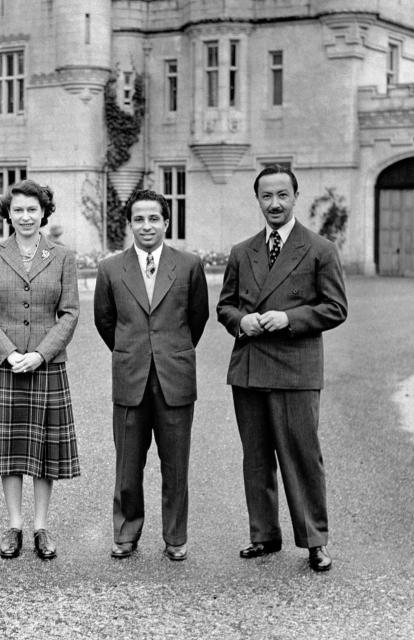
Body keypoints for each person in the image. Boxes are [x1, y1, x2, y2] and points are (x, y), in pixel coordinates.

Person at [217, 165, 348, 572]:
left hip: (296, 369)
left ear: (295, 197)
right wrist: (242, 321)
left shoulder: (320, 249)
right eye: (266, 196)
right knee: (255, 457)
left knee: (303, 456)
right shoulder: (243, 251)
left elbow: (336, 308)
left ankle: (314, 541)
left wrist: (289, 319)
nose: (274, 203)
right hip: (250, 368)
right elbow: (224, 306)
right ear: (257, 200)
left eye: (282, 195)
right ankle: (264, 535)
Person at [0, 179, 80, 561]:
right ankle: (14, 525)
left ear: (44, 212)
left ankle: (41, 527)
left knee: (45, 451)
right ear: (8, 214)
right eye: (18, 210)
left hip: (47, 367)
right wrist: (9, 353)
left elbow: (70, 314)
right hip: (6, 366)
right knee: (11, 449)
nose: (26, 216)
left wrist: (42, 354)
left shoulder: (63, 256)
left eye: (33, 209)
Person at [93, 189, 209, 561]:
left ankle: (175, 537)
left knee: (176, 465)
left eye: (153, 218)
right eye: (139, 219)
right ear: (129, 224)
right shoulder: (111, 268)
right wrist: (132, 352)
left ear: (166, 222)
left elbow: (197, 318)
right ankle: (126, 533)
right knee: (128, 464)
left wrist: (170, 352)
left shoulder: (189, 265)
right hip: (130, 377)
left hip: (174, 378)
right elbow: (105, 320)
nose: (146, 226)